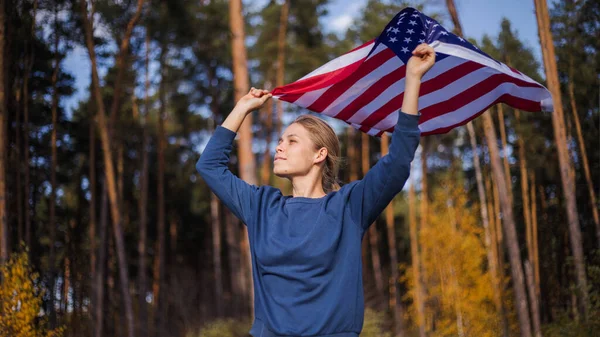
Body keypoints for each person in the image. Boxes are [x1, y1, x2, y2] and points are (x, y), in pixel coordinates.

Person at [196, 43, 435, 337]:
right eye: (280, 140)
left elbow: (398, 162)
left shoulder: (349, 207)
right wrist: (242, 108)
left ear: (319, 154)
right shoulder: (262, 206)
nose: (279, 146)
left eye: (292, 141)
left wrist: (413, 79)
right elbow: (209, 166)